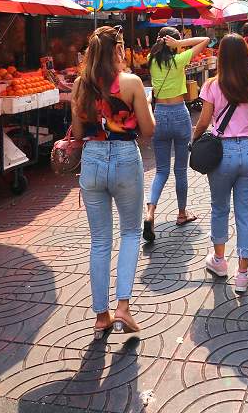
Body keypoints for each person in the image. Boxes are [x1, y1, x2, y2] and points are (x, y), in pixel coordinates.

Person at [70, 26, 155, 338]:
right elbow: (147, 130)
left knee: (99, 240)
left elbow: (78, 135)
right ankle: (122, 307)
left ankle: (101, 316)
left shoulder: (80, 85)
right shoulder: (131, 83)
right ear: (118, 50)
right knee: (131, 232)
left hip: (91, 159)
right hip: (124, 158)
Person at [193, 33, 248, 294]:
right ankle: (243, 275)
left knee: (219, 208)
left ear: (222, 57)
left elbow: (203, 122)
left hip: (221, 153)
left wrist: (194, 140)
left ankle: (220, 261)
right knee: (246, 215)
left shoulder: (212, 85)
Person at [144, 26, 210, 243]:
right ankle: (182, 213)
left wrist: (169, 43)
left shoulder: (150, 60)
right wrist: (179, 45)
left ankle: (150, 212)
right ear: (173, 42)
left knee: (161, 170)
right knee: (180, 169)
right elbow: (205, 40)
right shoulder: (179, 59)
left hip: (160, 114)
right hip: (180, 114)